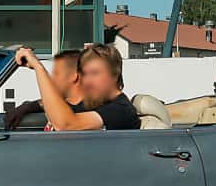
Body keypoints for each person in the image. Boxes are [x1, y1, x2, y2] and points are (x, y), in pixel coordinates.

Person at [12, 43, 141, 131]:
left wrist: (38, 68)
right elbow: (62, 103)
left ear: (114, 75)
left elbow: (66, 125)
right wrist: (28, 106)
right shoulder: (94, 102)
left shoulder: (120, 109)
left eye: (95, 73)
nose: (87, 80)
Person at [4, 49, 80, 128]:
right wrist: (27, 106)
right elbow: (48, 102)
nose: (51, 79)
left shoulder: (88, 111)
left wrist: (37, 66)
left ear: (73, 76)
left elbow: (65, 124)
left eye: (57, 74)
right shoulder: (66, 102)